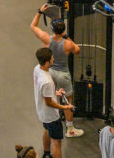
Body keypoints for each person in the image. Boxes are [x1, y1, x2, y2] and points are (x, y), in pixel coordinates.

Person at [30, 9, 82, 137]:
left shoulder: (47, 38)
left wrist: (40, 12)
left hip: (51, 72)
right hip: (63, 74)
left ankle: (53, 117)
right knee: (68, 100)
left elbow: (33, 26)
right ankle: (70, 129)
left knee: (52, 95)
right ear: (62, 30)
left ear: (53, 29)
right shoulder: (68, 44)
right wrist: (66, 36)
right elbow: (77, 50)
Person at [32, 47, 77, 158]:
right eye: (51, 58)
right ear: (46, 62)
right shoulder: (47, 81)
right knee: (57, 143)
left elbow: (46, 94)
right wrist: (65, 107)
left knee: (46, 130)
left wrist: (55, 93)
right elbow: (49, 102)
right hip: (51, 115)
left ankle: (46, 154)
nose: (53, 59)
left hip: (42, 113)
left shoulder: (37, 69)